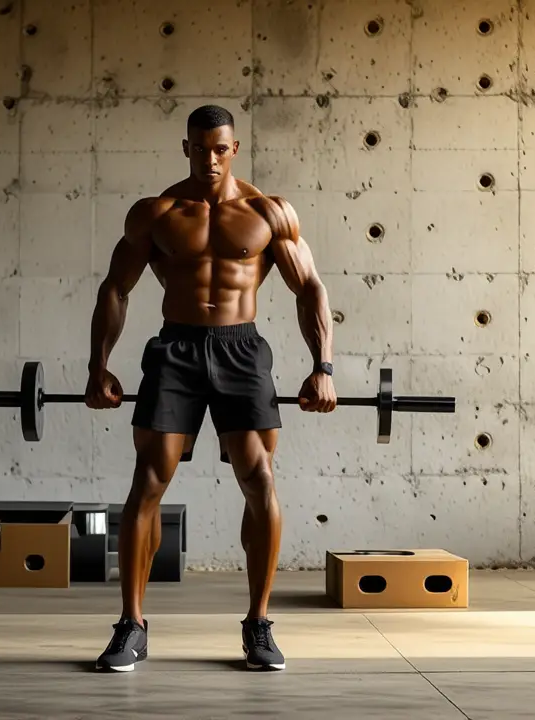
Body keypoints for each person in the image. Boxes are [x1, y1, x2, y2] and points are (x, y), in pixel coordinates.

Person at [84, 104, 336, 672]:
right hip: (175, 350)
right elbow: (115, 288)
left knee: (259, 476)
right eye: (200, 148)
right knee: (148, 481)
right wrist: (98, 366)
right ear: (186, 148)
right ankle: (132, 626)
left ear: (235, 148)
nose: (211, 158)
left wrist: (323, 367)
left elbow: (310, 288)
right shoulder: (157, 213)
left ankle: (258, 624)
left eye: (220, 148)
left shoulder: (268, 212)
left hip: (241, 349)